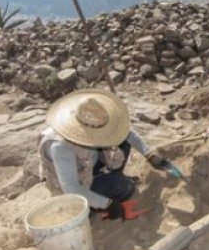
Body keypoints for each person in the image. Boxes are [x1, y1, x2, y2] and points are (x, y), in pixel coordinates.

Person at [38, 89, 176, 220]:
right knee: (126, 188)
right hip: (76, 181)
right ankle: (91, 208)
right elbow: (71, 187)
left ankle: (112, 177)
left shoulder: (96, 119)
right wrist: (106, 204)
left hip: (91, 162)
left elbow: (127, 133)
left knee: (121, 140)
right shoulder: (60, 146)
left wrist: (149, 154)